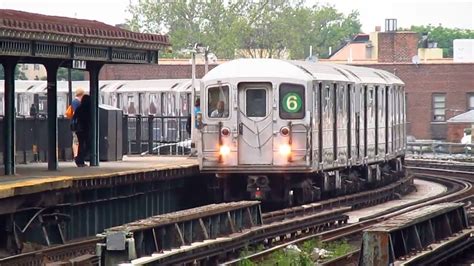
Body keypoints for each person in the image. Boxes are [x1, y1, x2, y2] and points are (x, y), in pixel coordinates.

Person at [72, 94, 91, 167]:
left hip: (79, 129)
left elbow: (74, 117)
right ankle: (79, 159)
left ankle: (80, 160)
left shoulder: (79, 108)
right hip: (85, 128)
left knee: (81, 144)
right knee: (87, 145)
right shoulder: (89, 109)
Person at [71, 88, 85, 159]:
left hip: (75, 123)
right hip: (77, 124)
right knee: (76, 141)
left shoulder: (74, 102)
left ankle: (76, 155)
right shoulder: (77, 102)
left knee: (76, 140)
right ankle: (76, 155)